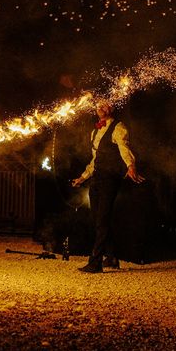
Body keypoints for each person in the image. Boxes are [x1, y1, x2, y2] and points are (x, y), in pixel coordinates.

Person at [71, 100, 144, 273]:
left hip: (110, 179)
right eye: (98, 106)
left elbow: (124, 148)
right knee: (98, 220)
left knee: (102, 219)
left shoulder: (119, 127)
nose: (100, 109)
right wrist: (82, 177)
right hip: (96, 178)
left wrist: (130, 166)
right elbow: (95, 159)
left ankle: (95, 262)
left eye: (104, 106)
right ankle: (111, 257)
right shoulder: (95, 131)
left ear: (111, 109)